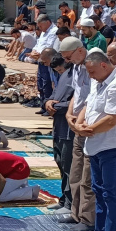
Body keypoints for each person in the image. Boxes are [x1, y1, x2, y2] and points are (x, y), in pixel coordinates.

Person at [69, 49, 116, 231]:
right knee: (98, 190)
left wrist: (86, 130)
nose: (90, 76)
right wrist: (79, 124)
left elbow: (112, 119)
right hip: (95, 144)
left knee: (111, 193)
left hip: (112, 146)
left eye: (92, 72)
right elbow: (88, 105)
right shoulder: (99, 80)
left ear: (104, 65)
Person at [58, 37, 95, 226]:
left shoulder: (93, 66)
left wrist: (78, 120)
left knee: (87, 178)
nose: (67, 61)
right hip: (77, 125)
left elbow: (92, 99)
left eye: (69, 57)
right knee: (75, 173)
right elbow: (77, 95)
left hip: (88, 127)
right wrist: (69, 113)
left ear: (80, 50)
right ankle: (75, 213)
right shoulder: (77, 67)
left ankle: (87, 218)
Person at [46, 56, 75, 211]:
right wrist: (48, 102)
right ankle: (64, 200)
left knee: (68, 166)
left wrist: (56, 107)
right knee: (60, 162)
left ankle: (70, 203)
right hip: (58, 127)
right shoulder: (64, 75)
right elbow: (54, 95)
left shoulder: (79, 75)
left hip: (69, 129)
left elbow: (79, 102)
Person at [26, 15, 59, 106]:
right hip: (40, 60)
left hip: (47, 61)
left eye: (40, 26)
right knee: (40, 83)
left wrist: (37, 54)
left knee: (47, 83)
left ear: (47, 22)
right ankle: (43, 105)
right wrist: (33, 51)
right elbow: (38, 43)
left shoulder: (54, 31)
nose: (39, 28)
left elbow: (49, 46)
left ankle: (48, 105)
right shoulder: (44, 32)